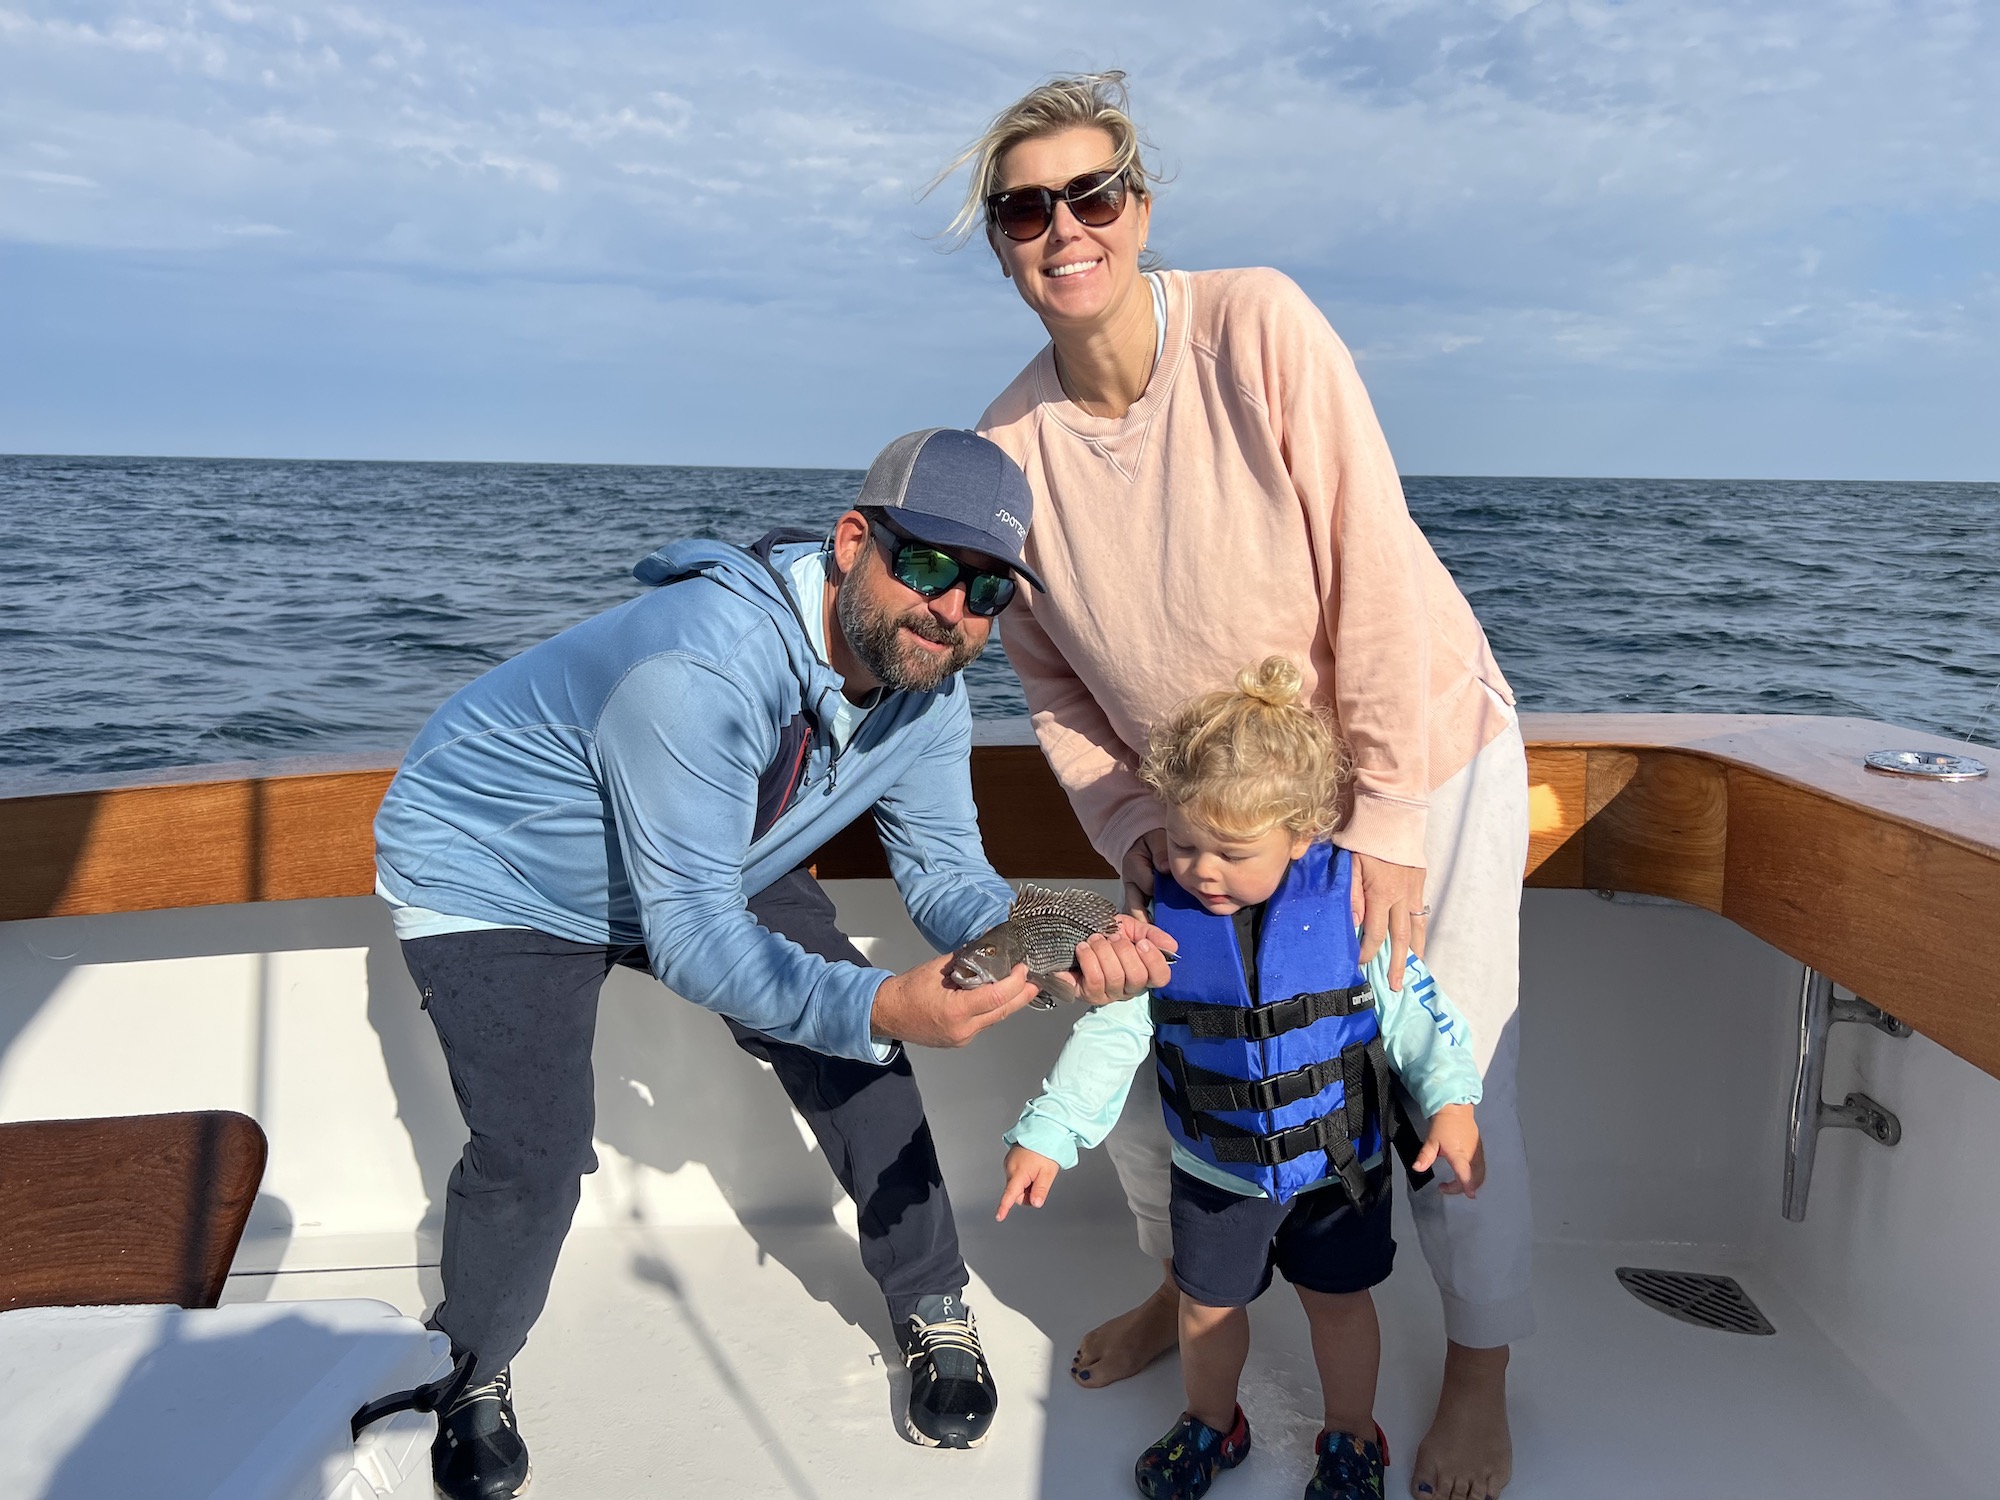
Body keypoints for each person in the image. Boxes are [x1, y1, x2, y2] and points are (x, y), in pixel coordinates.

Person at [372, 428, 1175, 1499]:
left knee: (860, 1059)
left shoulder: (930, 690)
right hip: (500, 874)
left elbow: (947, 877)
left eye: (986, 590)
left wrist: (1066, 944)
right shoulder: (699, 664)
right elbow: (694, 939)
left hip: (719, 853)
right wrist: (882, 1003)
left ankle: (932, 1301)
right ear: (852, 543)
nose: (951, 609)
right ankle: (469, 1365)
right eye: (927, 565)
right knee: (535, 1150)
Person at [945, 73, 1533, 1500]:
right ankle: (1188, 1288)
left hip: (1416, 759)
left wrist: (1386, 819)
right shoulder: (1007, 451)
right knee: (1181, 1065)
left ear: (1138, 208)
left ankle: (1477, 1369)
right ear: (1001, 243)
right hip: (1200, 824)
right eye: (1025, 210)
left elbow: (1372, 566)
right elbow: (1052, 685)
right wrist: (1135, 830)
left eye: (1092, 195)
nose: (1064, 229)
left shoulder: (1256, 323)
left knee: (1442, 1071)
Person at [994, 659, 1483, 1500]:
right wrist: (1049, 1131)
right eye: (1185, 845)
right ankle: (1212, 1424)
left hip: (1338, 1171)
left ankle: (1351, 1437)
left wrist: (1453, 1103)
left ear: (1301, 835)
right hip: (1217, 1175)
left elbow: (1420, 1017)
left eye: (1232, 852)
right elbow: (1112, 1032)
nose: (1203, 870)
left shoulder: (1352, 909)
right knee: (1206, 1308)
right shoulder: (1163, 919)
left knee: (1340, 1307)